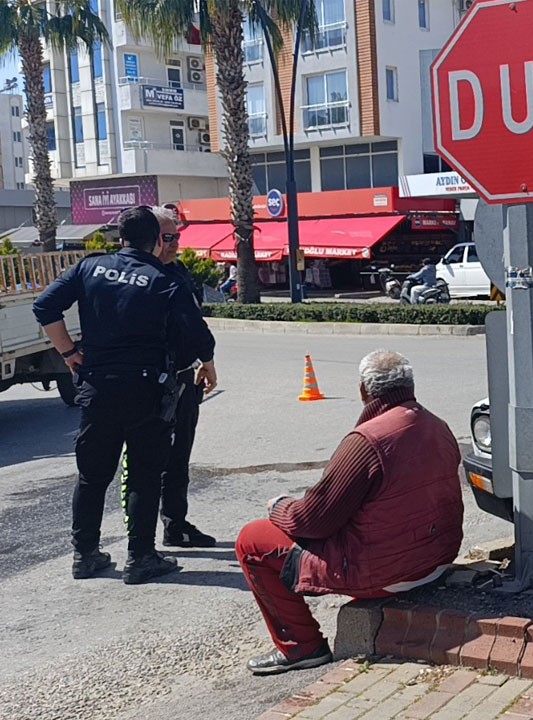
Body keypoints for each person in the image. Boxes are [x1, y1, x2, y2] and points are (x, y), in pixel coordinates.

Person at [235, 350, 463, 675]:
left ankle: (300, 646)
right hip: (436, 559)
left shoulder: (367, 441)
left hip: (387, 572)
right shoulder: (436, 425)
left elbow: (312, 521)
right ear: (410, 385)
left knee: (251, 540)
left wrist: (279, 507)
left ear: (363, 391)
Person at [32, 206, 218, 584]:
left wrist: (69, 352)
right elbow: (194, 331)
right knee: (145, 475)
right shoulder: (162, 280)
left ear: (121, 237)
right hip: (146, 390)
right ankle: (141, 557)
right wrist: (208, 361)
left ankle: (85, 556)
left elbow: (45, 306)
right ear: (155, 240)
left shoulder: (89, 267)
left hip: (97, 387)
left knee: (91, 476)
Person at [122, 206, 217, 548]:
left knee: (180, 457)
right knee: (146, 462)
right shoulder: (136, 276)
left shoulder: (178, 272)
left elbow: (194, 322)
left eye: (177, 236)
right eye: (167, 237)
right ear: (150, 239)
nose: (174, 243)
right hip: (147, 383)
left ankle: (175, 524)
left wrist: (204, 361)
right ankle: (139, 540)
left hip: (183, 377)